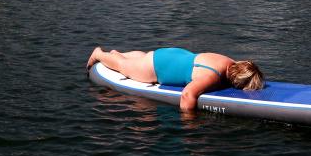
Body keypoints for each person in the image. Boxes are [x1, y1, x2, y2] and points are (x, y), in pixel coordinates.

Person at [87, 46, 265, 112]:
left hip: (172, 54)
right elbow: (188, 95)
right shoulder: (212, 76)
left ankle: (118, 53)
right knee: (123, 67)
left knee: (141, 58)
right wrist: (189, 124)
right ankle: (100, 54)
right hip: (157, 68)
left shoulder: (230, 63)